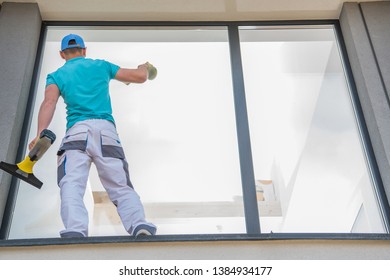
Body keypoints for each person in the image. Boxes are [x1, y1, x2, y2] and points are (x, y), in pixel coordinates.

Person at [28, 34, 157, 238]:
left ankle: (75, 230)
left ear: (62, 54)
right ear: (84, 50)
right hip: (106, 132)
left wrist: (39, 134)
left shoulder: (56, 76)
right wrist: (144, 67)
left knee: (72, 183)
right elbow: (140, 77)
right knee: (119, 184)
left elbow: (49, 103)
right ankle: (139, 225)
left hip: (77, 133)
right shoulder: (101, 66)